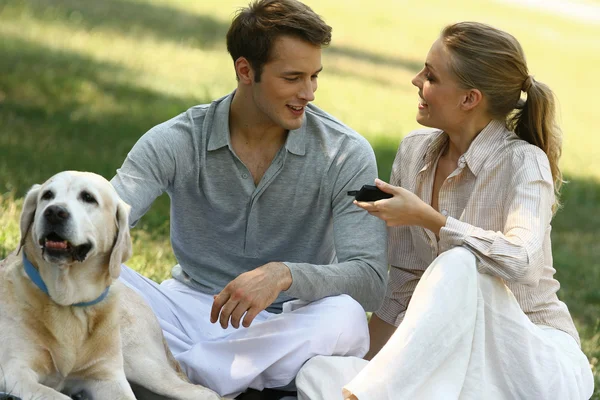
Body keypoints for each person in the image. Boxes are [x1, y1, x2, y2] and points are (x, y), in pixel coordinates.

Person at [295, 21, 595, 399]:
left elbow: (520, 260)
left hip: (532, 364)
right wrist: (367, 369)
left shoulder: (524, 163)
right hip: (461, 363)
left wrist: (430, 219)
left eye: (431, 76)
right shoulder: (413, 151)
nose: (416, 80)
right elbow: (404, 283)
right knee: (319, 373)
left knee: (457, 265)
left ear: (469, 99)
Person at [110, 0, 388, 398]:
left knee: (345, 318)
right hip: (188, 308)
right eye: (293, 78)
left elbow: (371, 279)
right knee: (101, 280)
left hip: (287, 321)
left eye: (314, 77)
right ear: (245, 71)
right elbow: (103, 220)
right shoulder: (177, 140)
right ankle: (230, 377)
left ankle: (176, 374)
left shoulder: (345, 152)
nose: (308, 93)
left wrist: (284, 275)